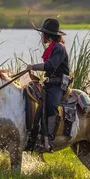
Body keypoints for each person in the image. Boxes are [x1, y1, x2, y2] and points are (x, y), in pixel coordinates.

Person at [25, 18, 70, 153]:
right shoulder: (53, 47)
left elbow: (50, 66)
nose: (42, 36)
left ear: (48, 35)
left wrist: (33, 66)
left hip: (58, 85)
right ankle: (35, 135)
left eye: (43, 33)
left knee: (51, 105)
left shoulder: (59, 48)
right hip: (51, 83)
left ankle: (49, 140)